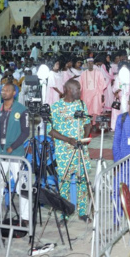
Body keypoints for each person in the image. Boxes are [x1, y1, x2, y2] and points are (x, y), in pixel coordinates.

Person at [49, 79, 93, 221]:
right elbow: (50, 130)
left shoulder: (81, 104)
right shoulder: (56, 107)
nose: (79, 92)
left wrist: (85, 138)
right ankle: (64, 213)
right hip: (64, 151)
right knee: (64, 183)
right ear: (68, 90)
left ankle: (82, 212)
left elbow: (87, 123)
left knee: (83, 181)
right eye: (77, 89)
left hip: (80, 150)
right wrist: (67, 139)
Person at [0, 83, 29, 222]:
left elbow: (26, 132)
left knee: (22, 185)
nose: (4, 92)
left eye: (8, 90)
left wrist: (13, 146)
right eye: (3, 90)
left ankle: (25, 216)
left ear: (14, 93)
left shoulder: (22, 110)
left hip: (16, 153)